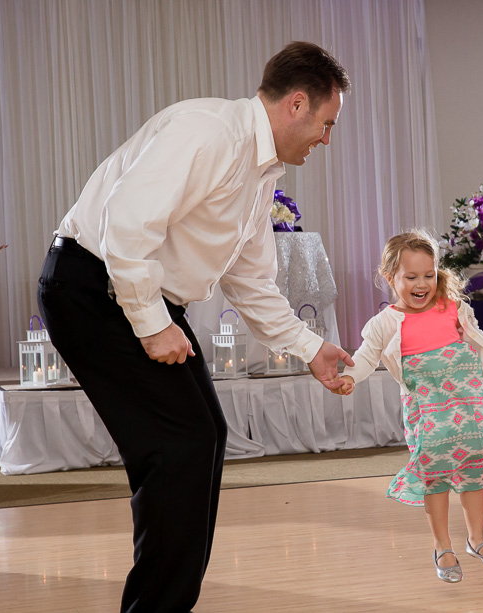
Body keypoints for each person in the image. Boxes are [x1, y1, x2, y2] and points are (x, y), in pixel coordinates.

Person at [36, 41, 352, 613]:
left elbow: (251, 282)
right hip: (94, 287)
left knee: (203, 437)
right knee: (181, 445)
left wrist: (310, 348)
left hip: (133, 295)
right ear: (298, 104)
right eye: (327, 124)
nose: (327, 138)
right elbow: (125, 225)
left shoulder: (260, 171)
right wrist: (154, 325)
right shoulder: (208, 131)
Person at [332, 229, 483, 583]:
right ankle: (442, 545)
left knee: (471, 472)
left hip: (466, 406)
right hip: (427, 410)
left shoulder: (455, 309)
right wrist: (349, 379)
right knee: (435, 476)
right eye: (412, 277)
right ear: (390, 278)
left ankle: (477, 539)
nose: (422, 284)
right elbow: (365, 357)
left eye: (429, 275)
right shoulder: (386, 322)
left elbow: (480, 342)